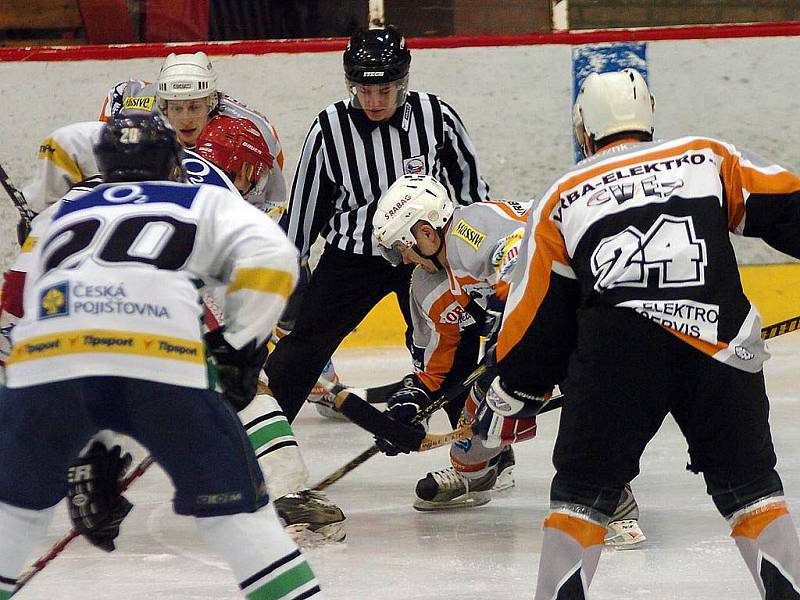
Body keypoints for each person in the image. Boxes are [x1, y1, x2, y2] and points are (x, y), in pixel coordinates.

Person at [473, 68, 800, 598]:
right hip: (721, 347)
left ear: (584, 130)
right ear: (649, 118)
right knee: (754, 493)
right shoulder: (706, 156)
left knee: (579, 497)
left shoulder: (563, 195)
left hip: (616, 361)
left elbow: (538, 313)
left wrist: (519, 386)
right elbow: (788, 205)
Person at [0, 114, 323, 599]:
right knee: (240, 522)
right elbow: (274, 259)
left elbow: (29, 316)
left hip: (45, 362)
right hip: (162, 360)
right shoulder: (201, 196)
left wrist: (83, 449)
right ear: (175, 162)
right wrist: (241, 348)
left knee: (12, 518)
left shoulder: (58, 216)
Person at [371, 174, 645, 548]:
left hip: (589, 303)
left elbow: (521, 263)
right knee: (486, 407)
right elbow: (438, 366)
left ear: (427, 231)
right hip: (538, 326)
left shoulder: (470, 228)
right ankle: (479, 473)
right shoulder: (427, 285)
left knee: (584, 393)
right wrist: (411, 403)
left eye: (403, 246)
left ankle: (611, 492)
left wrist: (506, 331)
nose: (402, 258)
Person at [265, 26, 489, 430]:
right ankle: (259, 438)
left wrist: (473, 257)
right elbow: (305, 210)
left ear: (403, 83)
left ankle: (477, 445)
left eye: (384, 91)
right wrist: (278, 272)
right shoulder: (329, 129)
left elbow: (473, 196)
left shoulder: (436, 117)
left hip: (425, 257)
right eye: (364, 91)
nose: (373, 101)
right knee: (306, 344)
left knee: (456, 343)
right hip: (352, 257)